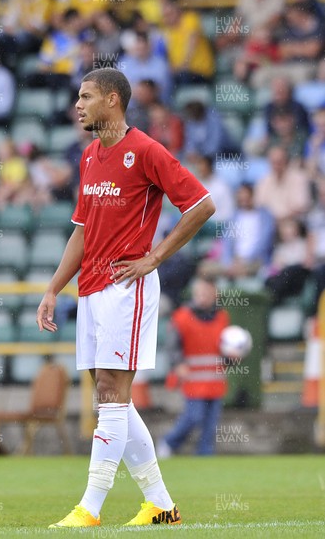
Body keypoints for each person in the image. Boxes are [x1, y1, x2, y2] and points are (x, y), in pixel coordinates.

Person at [36, 68, 215, 528]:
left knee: (111, 395)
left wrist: (154, 257)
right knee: (112, 396)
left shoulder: (146, 151)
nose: (77, 105)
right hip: (92, 289)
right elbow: (81, 230)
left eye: (86, 96)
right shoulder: (90, 156)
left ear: (112, 101)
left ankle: (89, 508)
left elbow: (201, 206)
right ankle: (161, 505)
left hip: (125, 288)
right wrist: (54, 288)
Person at [157, 277, 230, 457]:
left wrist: (232, 357)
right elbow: (172, 346)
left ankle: (205, 454)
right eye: (200, 293)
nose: (203, 297)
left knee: (211, 424)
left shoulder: (222, 317)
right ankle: (169, 442)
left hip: (215, 380)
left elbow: (225, 348)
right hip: (193, 379)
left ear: (215, 295)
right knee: (194, 417)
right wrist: (178, 364)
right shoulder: (181, 317)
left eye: (207, 293)